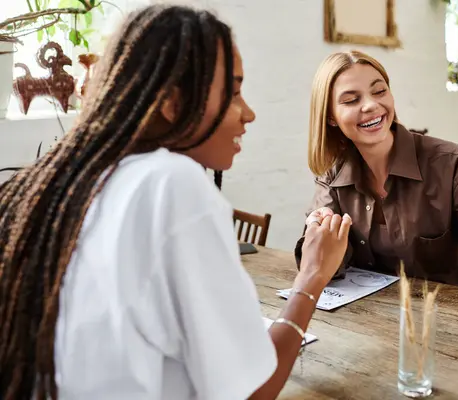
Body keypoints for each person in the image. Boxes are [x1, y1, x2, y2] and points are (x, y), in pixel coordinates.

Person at [0, 6, 351, 400]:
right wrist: (312, 278)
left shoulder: (64, 180)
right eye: (233, 91)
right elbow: (254, 390)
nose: (248, 113)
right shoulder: (170, 183)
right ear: (170, 102)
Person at [295, 50, 458, 299]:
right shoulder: (333, 175)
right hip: (367, 323)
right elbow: (321, 270)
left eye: (379, 91)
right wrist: (320, 237)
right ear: (330, 118)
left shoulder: (454, 165)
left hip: (449, 323)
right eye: (351, 100)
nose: (371, 105)